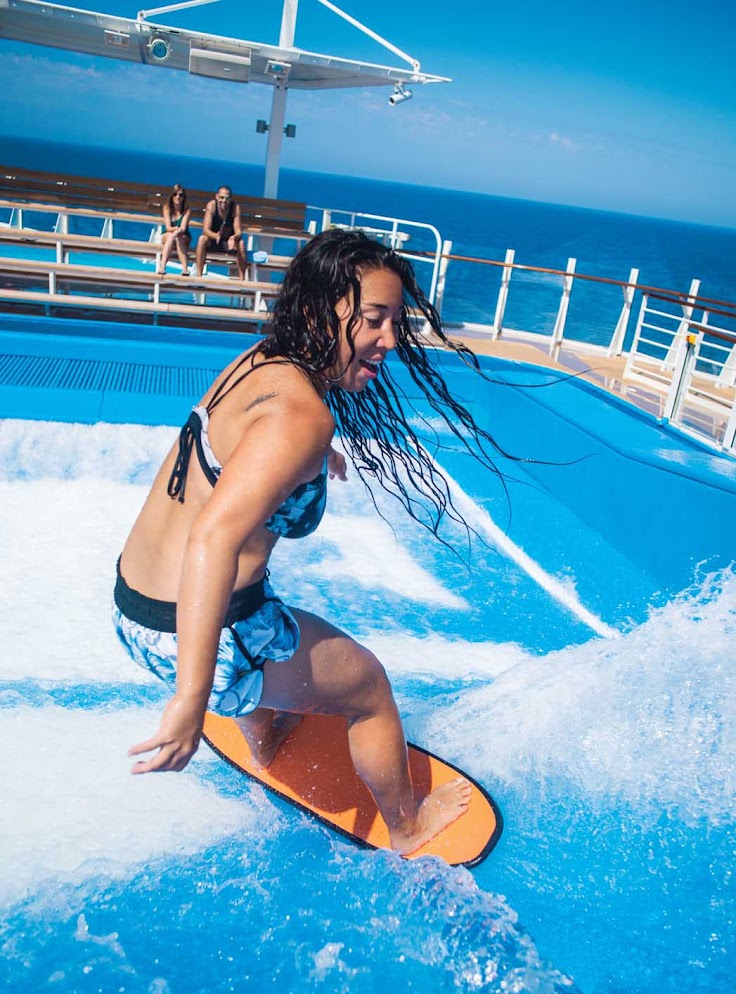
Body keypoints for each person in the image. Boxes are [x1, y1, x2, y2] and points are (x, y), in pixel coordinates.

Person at [112, 229, 512, 854]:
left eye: (395, 321)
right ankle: (409, 827)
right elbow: (214, 538)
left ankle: (265, 735)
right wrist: (192, 700)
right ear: (318, 311)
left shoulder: (263, 363)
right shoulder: (301, 417)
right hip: (197, 636)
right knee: (371, 689)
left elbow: (241, 442)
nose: (388, 341)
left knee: (266, 609)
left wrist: (311, 450)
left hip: (136, 609)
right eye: (374, 320)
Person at [195, 185, 247, 278]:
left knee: (241, 244)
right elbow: (206, 230)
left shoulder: (235, 208)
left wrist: (233, 237)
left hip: (228, 242)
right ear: (216, 196)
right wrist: (216, 236)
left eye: (227, 198)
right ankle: (199, 275)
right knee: (202, 239)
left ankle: (242, 278)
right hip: (213, 240)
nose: (224, 201)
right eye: (221, 197)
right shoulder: (211, 206)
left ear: (230, 199)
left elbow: (238, 231)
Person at [158, 184, 191, 275]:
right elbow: (168, 227)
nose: (178, 197)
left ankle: (185, 269)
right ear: (171, 196)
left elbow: (183, 228)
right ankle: (162, 266)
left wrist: (178, 231)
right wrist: (175, 229)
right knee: (171, 236)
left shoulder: (186, 210)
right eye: (175, 194)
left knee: (179, 237)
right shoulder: (167, 208)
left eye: (181, 195)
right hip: (169, 234)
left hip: (183, 235)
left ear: (184, 198)